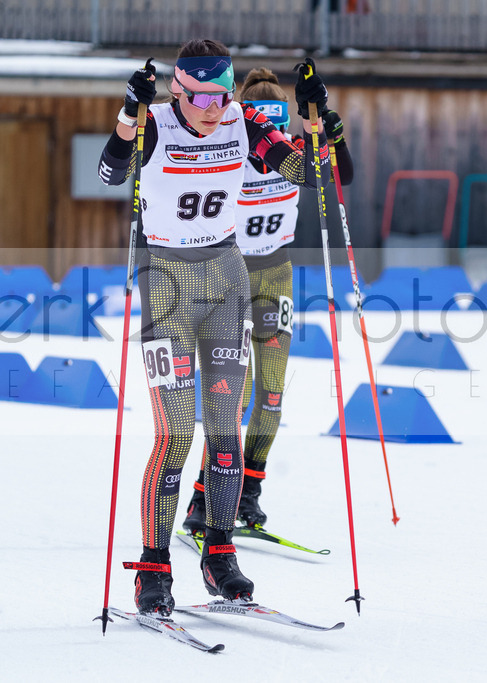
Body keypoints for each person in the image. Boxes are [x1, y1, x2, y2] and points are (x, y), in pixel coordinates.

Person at [97, 39, 328, 616]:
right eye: (199, 96)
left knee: (225, 433)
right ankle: (153, 567)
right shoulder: (154, 122)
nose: (210, 108)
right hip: (168, 283)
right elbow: (108, 172)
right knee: (175, 433)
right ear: (178, 89)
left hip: (227, 279)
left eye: (219, 95)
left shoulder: (242, 120)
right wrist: (129, 114)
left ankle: (219, 552)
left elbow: (305, 173)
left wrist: (315, 119)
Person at [180, 66, 353, 537]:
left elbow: (341, 176)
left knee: (271, 396)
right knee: (229, 401)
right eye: (264, 125)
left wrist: (331, 135)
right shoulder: (231, 148)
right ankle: (205, 492)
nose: (268, 140)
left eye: (276, 126)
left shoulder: (291, 153)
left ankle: (249, 490)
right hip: (230, 277)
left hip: (276, 276)